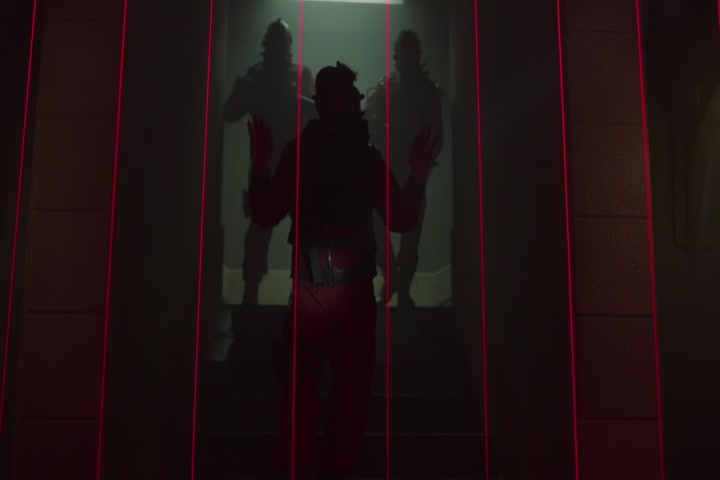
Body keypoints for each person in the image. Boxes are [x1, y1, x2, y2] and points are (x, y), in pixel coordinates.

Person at [247, 62, 438, 480]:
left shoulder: (308, 154)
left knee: (315, 397)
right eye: (349, 98)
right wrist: (416, 178)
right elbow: (401, 217)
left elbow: (265, 212)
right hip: (344, 295)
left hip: (321, 291)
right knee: (337, 399)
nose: (355, 104)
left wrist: (260, 169)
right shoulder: (354, 157)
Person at [224, 18, 316, 305]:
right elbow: (230, 112)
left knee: (303, 231)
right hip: (265, 163)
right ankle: (251, 288)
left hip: (294, 164)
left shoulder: (299, 74)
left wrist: (293, 98)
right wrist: (248, 90)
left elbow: (318, 112)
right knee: (259, 231)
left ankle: (301, 290)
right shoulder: (257, 75)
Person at [363, 30, 444, 308]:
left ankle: (402, 285)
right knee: (375, 220)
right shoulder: (389, 87)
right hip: (392, 166)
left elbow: (437, 134)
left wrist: (424, 163)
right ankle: (394, 277)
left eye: (405, 52)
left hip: (413, 170)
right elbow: (366, 114)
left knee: (411, 234)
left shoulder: (427, 91)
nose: (402, 58)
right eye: (400, 53)